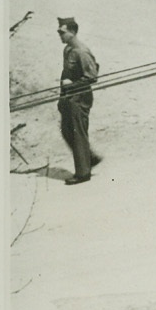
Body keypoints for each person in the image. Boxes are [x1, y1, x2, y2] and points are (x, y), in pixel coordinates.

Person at [56, 17, 101, 185]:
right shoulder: (68, 50)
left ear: (73, 32)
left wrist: (72, 85)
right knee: (66, 129)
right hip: (69, 96)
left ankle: (83, 173)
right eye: (58, 32)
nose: (59, 35)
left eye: (62, 32)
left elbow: (92, 76)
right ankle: (89, 159)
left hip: (80, 97)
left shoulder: (81, 51)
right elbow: (66, 74)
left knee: (77, 132)